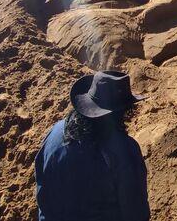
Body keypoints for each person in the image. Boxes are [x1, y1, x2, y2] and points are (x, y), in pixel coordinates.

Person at [35, 70, 150, 221]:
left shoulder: (55, 133)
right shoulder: (125, 150)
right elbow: (135, 211)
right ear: (122, 112)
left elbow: (42, 186)